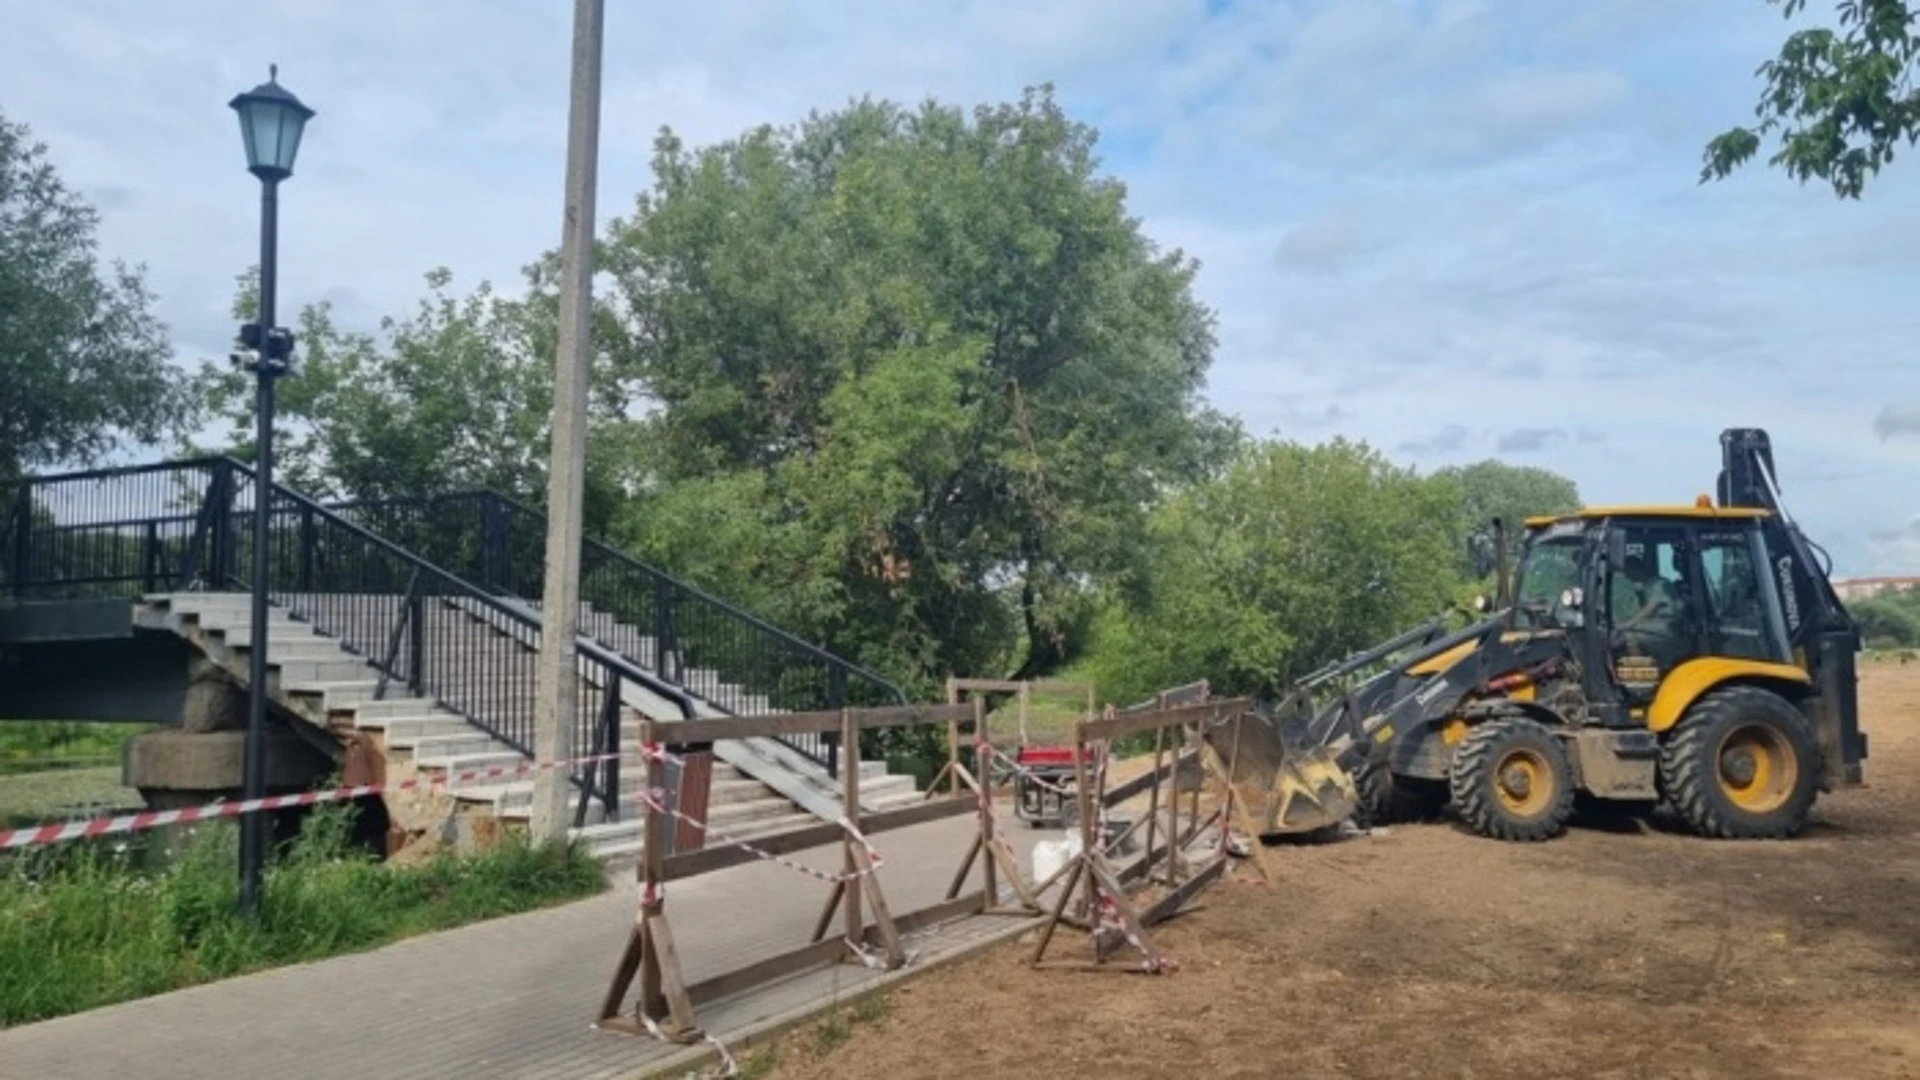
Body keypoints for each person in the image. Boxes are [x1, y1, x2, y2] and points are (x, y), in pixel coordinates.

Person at [1612, 549, 1683, 665]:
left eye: (1628, 572)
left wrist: (1626, 624)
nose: (1627, 577)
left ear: (1636, 569)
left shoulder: (1658, 584)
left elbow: (1649, 610)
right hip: (1658, 624)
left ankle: (1638, 668)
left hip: (1668, 626)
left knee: (1626, 635)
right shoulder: (1646, 587)